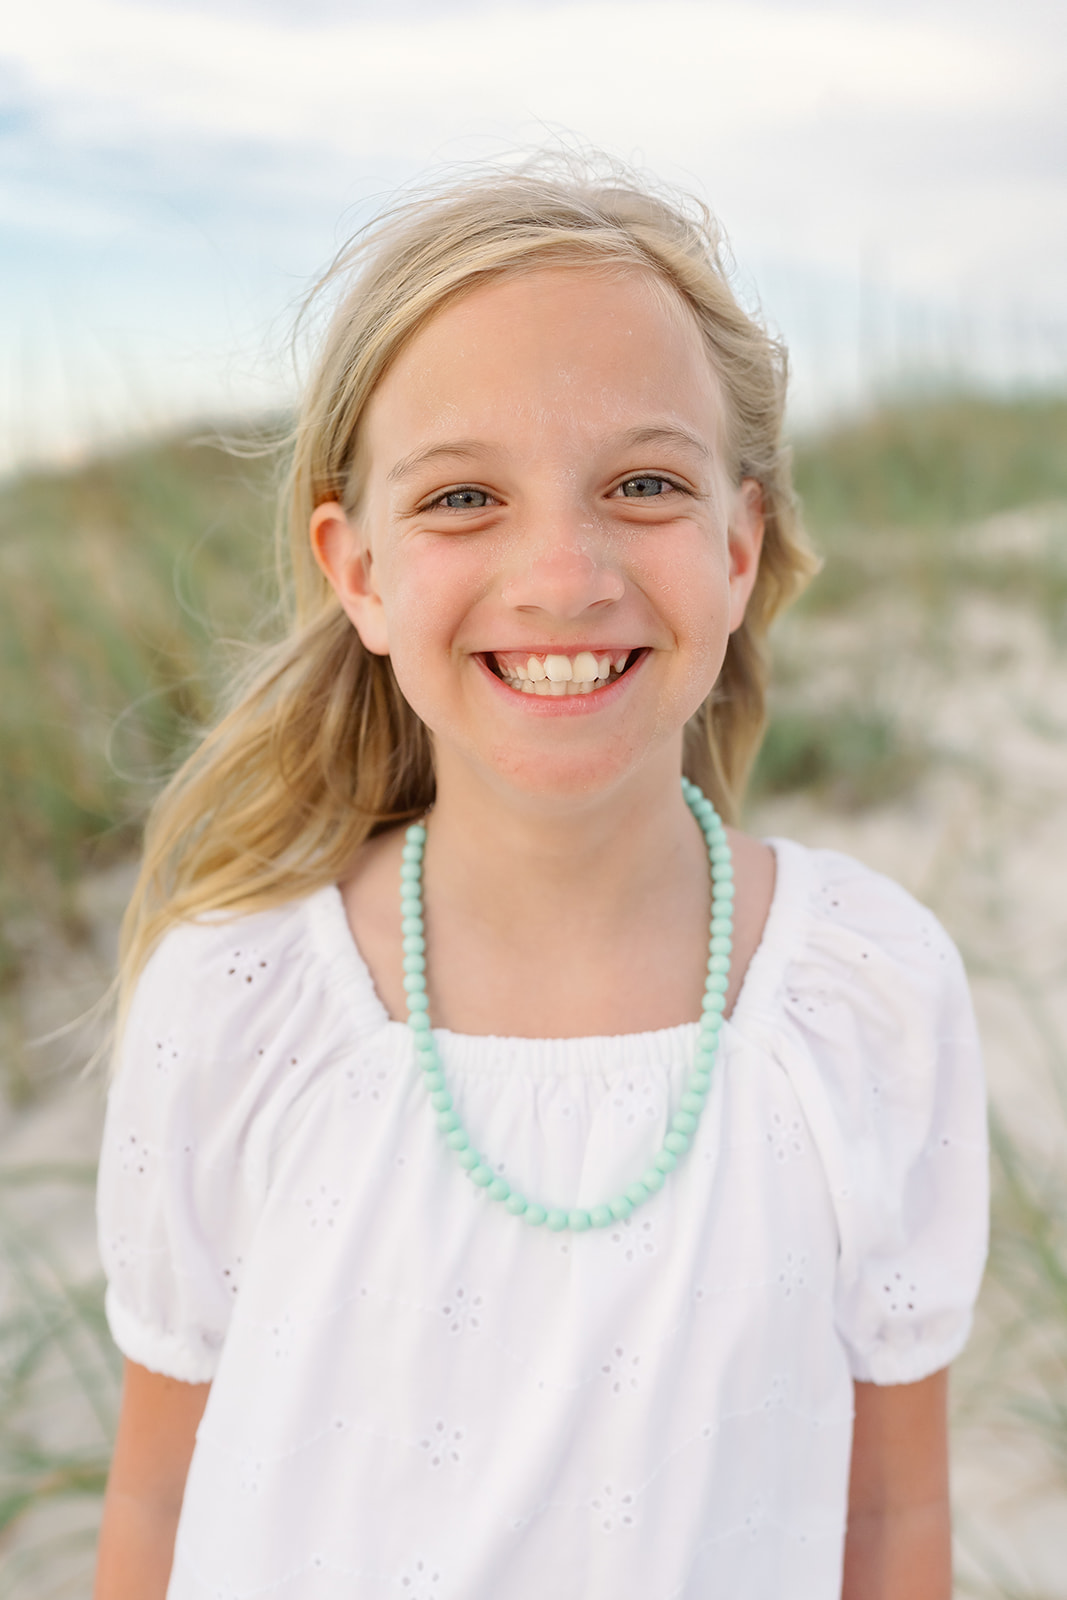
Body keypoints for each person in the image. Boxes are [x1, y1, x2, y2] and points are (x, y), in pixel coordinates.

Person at [93, 157, 988, 1600]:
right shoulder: (243, 999)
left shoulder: (865, 992)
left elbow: (888, 1525)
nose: (563, 574)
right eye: (463, 497)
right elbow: (151, 1509)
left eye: (644, 483)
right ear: (360, 572)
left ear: (741, 540)